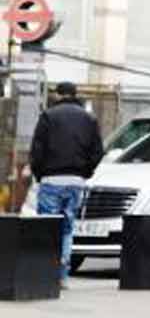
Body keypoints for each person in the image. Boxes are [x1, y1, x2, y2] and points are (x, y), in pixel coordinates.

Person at [30, 82, 104, 282]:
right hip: (76, 181)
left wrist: (39, 174)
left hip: (51, 180)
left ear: (58, 95)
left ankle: (45, 275)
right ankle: (62, 276)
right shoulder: (89, 118)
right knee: (67, 228)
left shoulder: (48, 116)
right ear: (74, 94)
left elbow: (37, 150)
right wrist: (85, 172)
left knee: (47, 228)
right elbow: (98, 151)